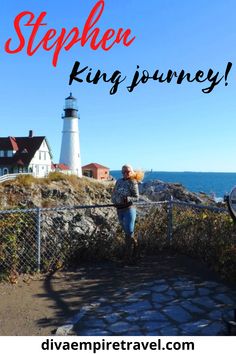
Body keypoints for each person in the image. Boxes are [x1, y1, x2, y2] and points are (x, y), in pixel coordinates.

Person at [112, 164, 144, 262]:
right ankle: (136, 249)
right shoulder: (118, 181)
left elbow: (137, 197)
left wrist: (127, 198)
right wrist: (113, 199)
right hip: (119, 209)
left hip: (129, 209)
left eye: (128, 171)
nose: (126, 173)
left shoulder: (133, 182)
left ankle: (127, 257)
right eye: (124, 172)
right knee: (127, 233)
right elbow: (114, 192)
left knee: (129, 232)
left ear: (131, 172)